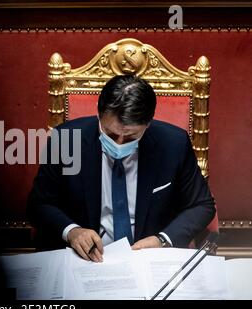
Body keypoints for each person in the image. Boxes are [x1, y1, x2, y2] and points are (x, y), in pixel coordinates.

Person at [27, 75, 215, 262]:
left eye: (131, 137)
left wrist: (162, 241)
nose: (119, 143)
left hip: (148, 259)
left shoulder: (174, 144)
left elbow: (202, 205)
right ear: (99, 115)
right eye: (111, 134)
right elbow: (39, 204)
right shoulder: (67, 140)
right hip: (85, 260)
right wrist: (72, 231)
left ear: (148, 124)